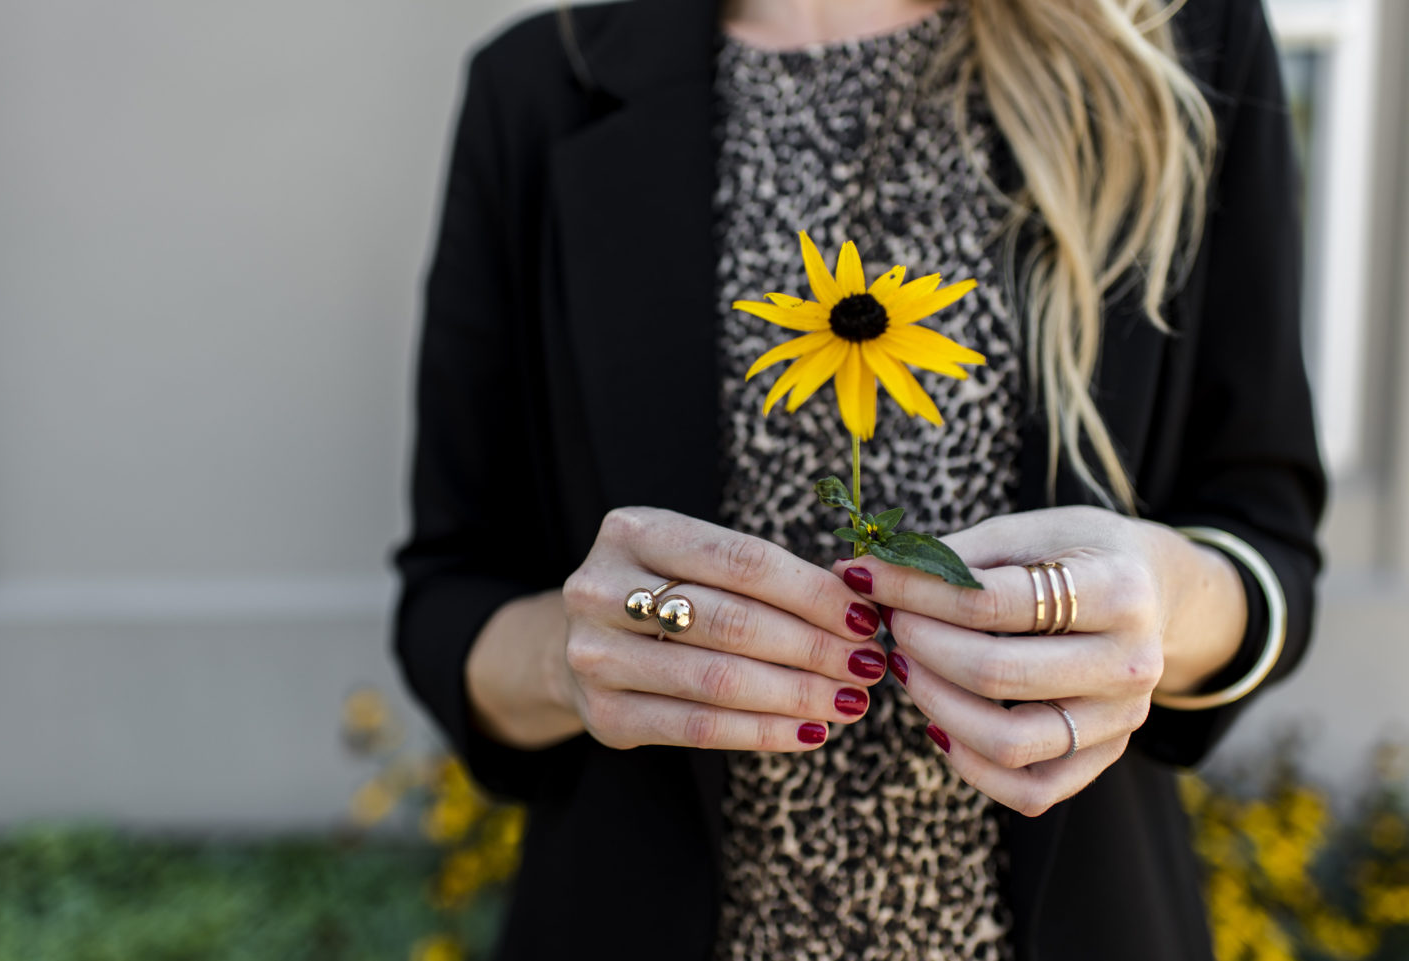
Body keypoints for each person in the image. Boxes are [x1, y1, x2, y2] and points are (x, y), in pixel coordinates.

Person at [392, 0, 1325, 958]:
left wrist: (1164, 598)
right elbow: (447, 597)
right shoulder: (541, 84)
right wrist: (573, 654)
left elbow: (1267, 536)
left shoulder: (1176, 32)